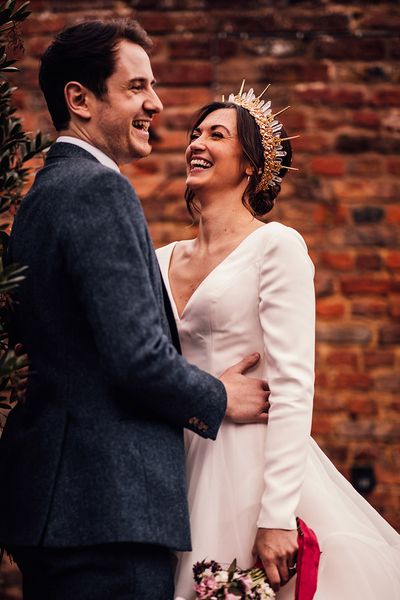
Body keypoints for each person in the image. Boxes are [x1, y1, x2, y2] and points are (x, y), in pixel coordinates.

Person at [0, 23, 271, 600]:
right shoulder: (99, 190)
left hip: (59, 503)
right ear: (80, 100)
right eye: (136, 87)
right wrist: (220, 396)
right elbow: (135, 357)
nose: (157, 103)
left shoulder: (43, 195)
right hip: (106, 508)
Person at [156, 85, 400, 599]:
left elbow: (293, 383)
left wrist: (277, 515)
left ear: (250, 165)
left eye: (216, 135)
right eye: (195, 133)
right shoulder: (158, 258)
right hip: (175, 466)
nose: (196, 143)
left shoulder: (276, 246)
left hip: (248, 468)